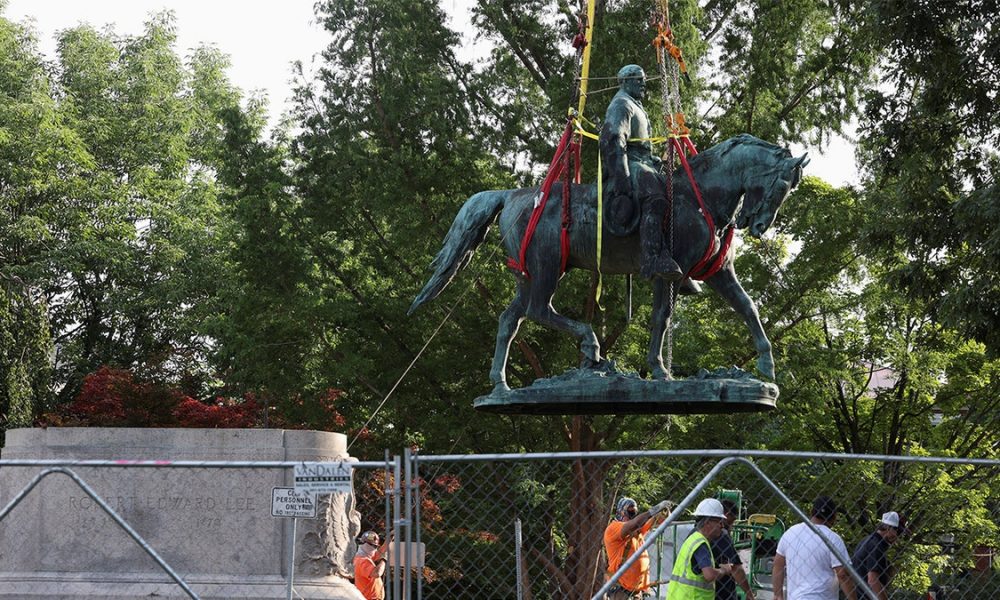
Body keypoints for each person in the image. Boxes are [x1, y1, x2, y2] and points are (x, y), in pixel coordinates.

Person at [599, 64, 683, 282]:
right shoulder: (621, 104)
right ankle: (651, 258)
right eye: (638, 79)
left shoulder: (635, 105)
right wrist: (622, 176)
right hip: (630, 163)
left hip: (643, 161)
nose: (643, 83)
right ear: (625, 82)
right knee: (655, 197)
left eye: (643, 79)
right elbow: (613, 139)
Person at [773, 496, 857, 600]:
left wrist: (778, 594)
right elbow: (843, 574)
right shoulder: (833, 538)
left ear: (812, 512)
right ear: (834, 516)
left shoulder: (791, 533)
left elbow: (778, 565)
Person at [604, 496, 674, 599]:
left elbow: (659, 520)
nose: (633, 515)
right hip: (621, 590)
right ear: (621, 512)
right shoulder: (613, 528)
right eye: (630, 512)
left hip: (636, 591)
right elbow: (635, 523)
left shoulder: (637, 531)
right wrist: (654, 510)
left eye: (634, 512)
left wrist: (664, 512)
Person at [665, 498, 735, 599]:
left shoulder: (694, 539)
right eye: (719, 522)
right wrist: (724, 570)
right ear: (707, 523)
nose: (722, 526)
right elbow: (709, 575)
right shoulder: (700, 544)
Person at [711, 499, 756, 600]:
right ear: (726, 515)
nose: (731, 526)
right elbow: (736, 568)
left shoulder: (697, 532)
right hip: (722, 593)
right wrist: (749, 594)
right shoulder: (721, 534)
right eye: (732, 521)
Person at [851, 511, 900, 600]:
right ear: (888, 528)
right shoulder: (877, 546)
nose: (896, 535)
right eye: (896, 531)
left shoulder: (866, 540)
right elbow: (873, 579)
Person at [353, 530, 390, 600]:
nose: (375, 549)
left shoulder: (365, 556)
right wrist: (384, 560)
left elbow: (380, 552)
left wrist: (389, 539)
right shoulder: (362, 560)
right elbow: (377, 573)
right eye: (374, 546)